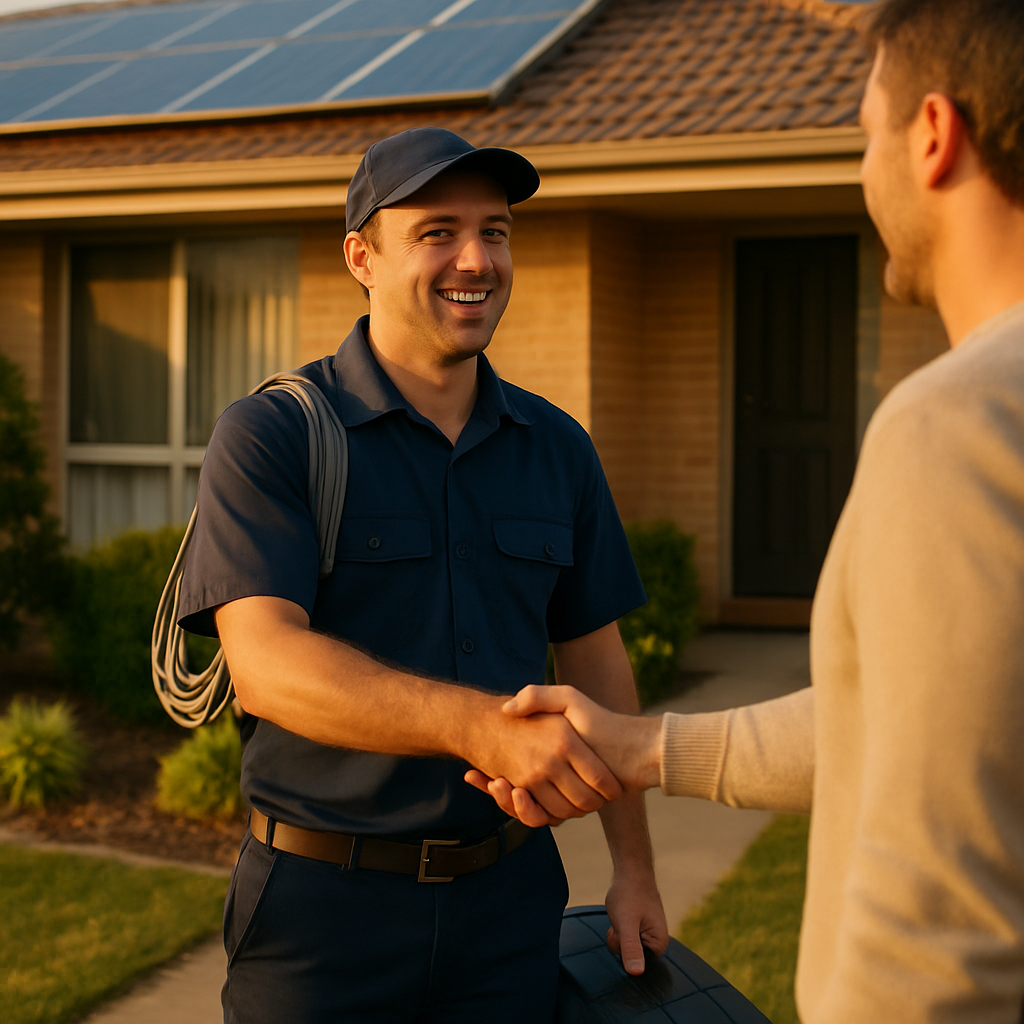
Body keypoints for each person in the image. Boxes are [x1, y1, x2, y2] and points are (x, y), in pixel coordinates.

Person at [468, 1, 1024, 1020]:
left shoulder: (963, 422)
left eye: (866, 134)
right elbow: (914, 719)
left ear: (933, 137)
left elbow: (942, 925)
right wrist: (641, 749)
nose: (865, 171)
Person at [178, 126, 668, 1024]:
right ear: (361, 257)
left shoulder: (556, 448)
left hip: (510, 905)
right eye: (437, 231)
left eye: (497, 229)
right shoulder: (273, 435)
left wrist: (633, 867)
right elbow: (265, 664)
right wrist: (479, 728)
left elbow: (596, 660)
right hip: (326, 914)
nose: (476, 259)